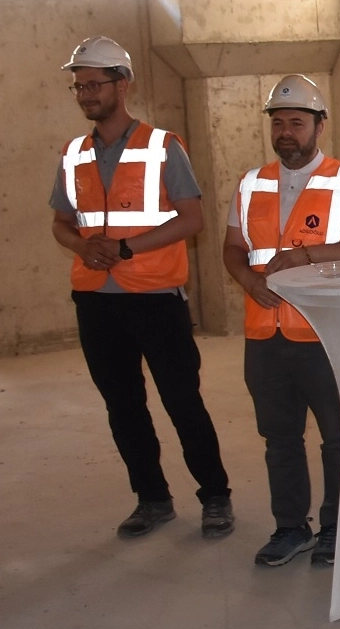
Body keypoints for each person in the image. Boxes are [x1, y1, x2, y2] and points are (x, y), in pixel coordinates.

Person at [50, 36, 234, 539]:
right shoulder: (73, 153)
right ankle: (152, 499)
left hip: (155, 299)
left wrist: (125, 248)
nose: (86, 94)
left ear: (122, 84)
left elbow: (192, 219)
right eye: (79, 86)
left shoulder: (162, 146)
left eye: (94, 84)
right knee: (123, 406)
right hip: (95, 300)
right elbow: (61, 222)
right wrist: (82, 246)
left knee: (182, 402)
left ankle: (215, 496)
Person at [222, 75, 340, 567]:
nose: (286, 132)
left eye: (296, 123)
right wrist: (249, 282)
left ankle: (336, 528)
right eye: (278, 123)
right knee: (280, 439)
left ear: (319, 127)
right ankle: (291, 528)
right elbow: (233, 248)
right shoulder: (251, 183)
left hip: (326, 333)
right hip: (264, 332)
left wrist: (303, 256)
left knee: (338, 438)